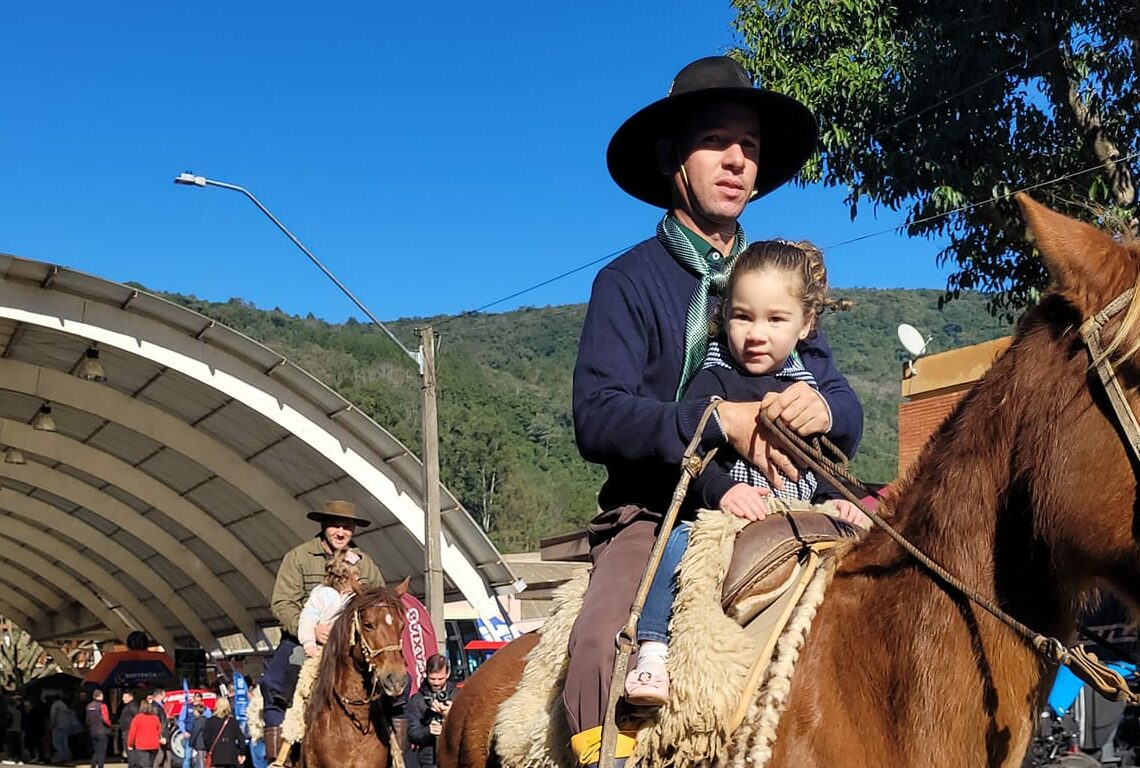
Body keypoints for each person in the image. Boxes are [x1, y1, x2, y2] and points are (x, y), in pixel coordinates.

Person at [567, 55, 863, 766]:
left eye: (750, 147)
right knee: (598, 640)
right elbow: (595, 416)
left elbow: (840, 399)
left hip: (793, 499)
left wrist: (826, 412)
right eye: (715, 141)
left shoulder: (777, 282)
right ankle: (593, 753)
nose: (736, 159)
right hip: (660, 510)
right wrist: (716, 423)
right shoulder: (627, 282)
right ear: (673, 159)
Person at [623, 239, 870, 706]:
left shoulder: (809, 386)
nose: (757, 334)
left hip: (798, 507)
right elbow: (695, 458)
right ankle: (653, 647)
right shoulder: (714, 379)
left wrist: (835, 497)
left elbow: (820, 456)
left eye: (776, 319)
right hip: (733, 512)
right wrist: (722, 490)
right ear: (724, 317)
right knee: (676, 545)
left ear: (806, 325)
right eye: (743, 316)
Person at [260, 499, 384, 761]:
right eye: (335, 526)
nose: (341, 532)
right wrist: (311, 630)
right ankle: (278, 757)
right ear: (323, 526)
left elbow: (378, 603)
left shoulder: (366, 563)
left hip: (354, 645)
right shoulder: (299, 557)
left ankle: (396, 753)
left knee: (396, 683)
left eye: (347, 527)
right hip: (305, 641)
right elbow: (282, 603)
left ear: (354, 530)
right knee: (274, 683)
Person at [273, 550, 361, 765]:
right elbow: (307, 619)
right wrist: (310, 641)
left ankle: (392, 747)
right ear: (343, 579)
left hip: (345, 650)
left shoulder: (355, 598)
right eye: (355, 577)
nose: (359, 580)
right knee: (299, 674)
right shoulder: (322, 595)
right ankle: (288, 739)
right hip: (318, 647)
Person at [406, 655, 456, 768]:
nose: (436, 683)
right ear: (426, 674)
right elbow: (412, 734)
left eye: (440, 679)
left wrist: (452, 715)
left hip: (454, 757)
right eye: (432, 679)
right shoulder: (417, 700)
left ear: (447, 674)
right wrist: (428, 731)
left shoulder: (459, 696)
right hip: (428, 761)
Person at [200, 699, 245, 768]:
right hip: (231, 755)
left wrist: (209, 749)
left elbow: (206, 739)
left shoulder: (210, 721)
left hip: (217, 754)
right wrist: (242, 752)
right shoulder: (232, 721)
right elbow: (241, 738)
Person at [127, 701, 162, 768]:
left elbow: (132, 733)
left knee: (145, 764)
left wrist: (130, 744)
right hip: (154, 744)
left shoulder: (137, 718)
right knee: (150, 764)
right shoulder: (155, 718)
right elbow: (159, 731)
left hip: (141, 745)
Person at [86, 689, 112, 768]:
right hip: (102, 731)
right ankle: (100, 766)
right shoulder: (102, 705)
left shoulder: (88, 706)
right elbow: (106, 719)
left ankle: (93, 765)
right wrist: (111, 725)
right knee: (102, 751)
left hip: (93, 731)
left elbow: (87, 721)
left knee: (96, 750)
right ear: (100, 696)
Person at [118, 690, 140, 764]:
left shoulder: (132, 706)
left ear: (130, 697)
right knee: (128, 750)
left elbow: (137, 716)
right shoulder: (127, 706)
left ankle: (133, 764)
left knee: (131, 750)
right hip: (126, 731)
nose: (123, 698)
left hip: (129, 731)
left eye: (125, 697)